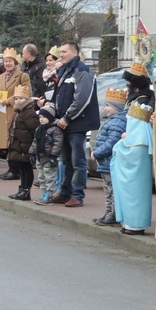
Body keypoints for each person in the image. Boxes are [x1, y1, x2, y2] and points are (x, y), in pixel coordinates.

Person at [50, 41, 100, 207]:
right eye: (60, 51)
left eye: (64, 51)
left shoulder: (82, 71)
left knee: (78, 161)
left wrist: (67, 118)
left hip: (77, 124)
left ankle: (77, 195)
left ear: (74, 52)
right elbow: (59, 96)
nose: (61, 54)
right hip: (64, 123)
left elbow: (82, 98)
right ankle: (65, 192)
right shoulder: (65, 70)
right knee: (66, 161)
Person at [111, 101, 154, 235]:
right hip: (134, 181)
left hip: (134, 181)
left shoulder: (139, 143)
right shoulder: (142, 140)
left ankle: (135, 226)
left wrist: (121, 144)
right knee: (130, 198)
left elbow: (127, 156)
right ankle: (129, 223)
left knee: (134, 198)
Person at [90, 88, 127, 224]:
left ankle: (113, 212)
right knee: (107, 188)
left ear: (117, 107)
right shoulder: (113, 120)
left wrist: (97, 152)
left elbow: (111, 143)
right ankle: (108, 210)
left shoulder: (117, 123)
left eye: (108, 106)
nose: (106, 109)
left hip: (109, 162)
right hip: (105, 163)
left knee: (111, 189)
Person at [0, 48, 31, 179]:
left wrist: (10, 100)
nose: (7, 63)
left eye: (10, 61)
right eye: (5, 61)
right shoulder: (1, 77)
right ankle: (11, 168)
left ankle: (15, 170)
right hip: (3, 112)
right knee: (7, 143)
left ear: (15, 62)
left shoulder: (23, 76)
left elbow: (27, 93)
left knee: (14, 142)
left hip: (15, 111)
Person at [6, 84, 40, 200]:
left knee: (26, 168)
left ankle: (26, 191)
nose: (18, 101)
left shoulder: (29, 113)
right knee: (21, 168)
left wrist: (30, 146)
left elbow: (34, 130)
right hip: (18, 145)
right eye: (16, 98)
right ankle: (22, 189)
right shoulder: (18, 112)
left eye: (21, 98)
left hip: (25, 146)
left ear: (27, 99)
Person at [29, 104, 64, 205]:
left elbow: (58, 144)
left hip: (49, 158)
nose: (42, 119)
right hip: (40, 157)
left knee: (50, 177)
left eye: (44, 117)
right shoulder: (39, 129)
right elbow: (35, 142)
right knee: (41, 177)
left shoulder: (55, 129)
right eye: (40, 117)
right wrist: (32, 153)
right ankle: (43, 194)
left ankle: (49, 195)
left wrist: (54, 156)